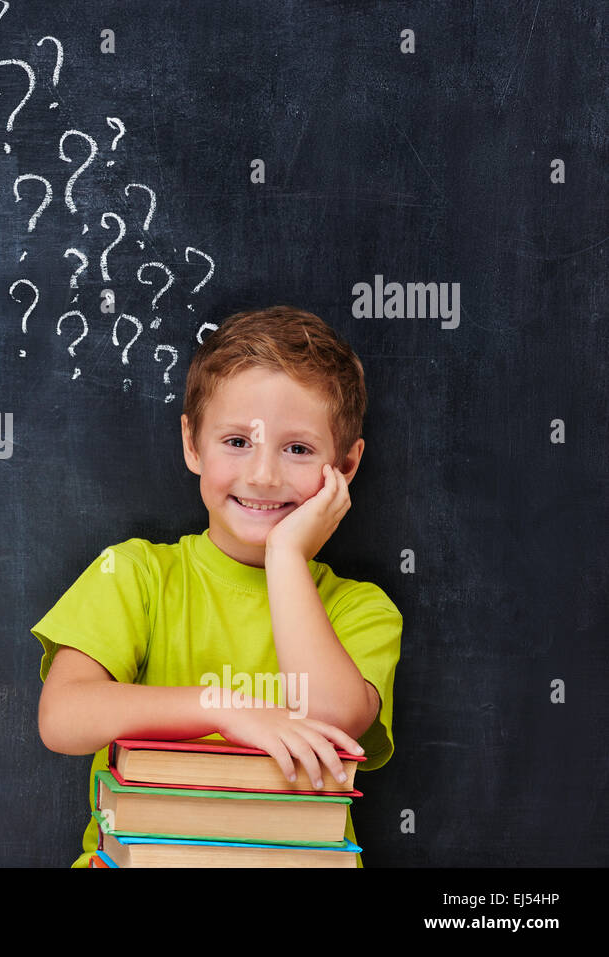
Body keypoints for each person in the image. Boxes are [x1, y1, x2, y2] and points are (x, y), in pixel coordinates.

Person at [32, 305, 402, 868]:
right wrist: (222, 708)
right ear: (192, 444)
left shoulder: (361, 609)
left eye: (297, 449)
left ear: (346, 466)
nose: (262, 475)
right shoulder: (136, 574)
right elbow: (62, 717)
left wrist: (285, 556)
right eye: (236, 441)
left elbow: (335, 718)